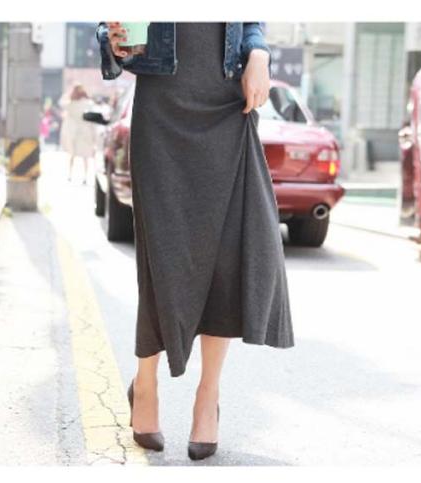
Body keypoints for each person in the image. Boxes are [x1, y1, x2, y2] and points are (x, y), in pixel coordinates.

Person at [98, 22, 294, 460]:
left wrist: (259, 54)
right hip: (162, 104)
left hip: (229, 102)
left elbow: (251, 22)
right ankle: (145, 382)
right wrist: (112, 40)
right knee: (162, 256)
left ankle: (209, 393)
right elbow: (112, 24)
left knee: (225, 256)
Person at [58, 83, 98, 184]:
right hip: (86, 132)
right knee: (85, 156)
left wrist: (67, 95)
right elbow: (92, 121)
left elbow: (61, 103)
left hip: (74, 132)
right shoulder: (89, 103)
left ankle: (70, 175)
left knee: (72, 155)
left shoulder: (71, 104)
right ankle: (85, 177)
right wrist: (95, 137)